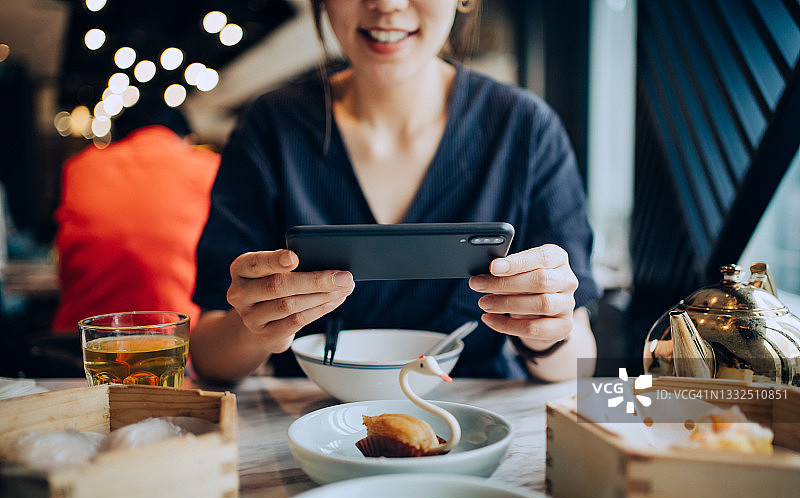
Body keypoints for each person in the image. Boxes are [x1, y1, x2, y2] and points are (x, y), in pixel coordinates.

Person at [190, 0, 601, 383]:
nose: (386, 5)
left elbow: (578, 363)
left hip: (474, 431)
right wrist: (252, 330)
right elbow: (209, 358)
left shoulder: (525, 128)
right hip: (312, 428)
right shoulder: (270, 128)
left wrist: (546, 330)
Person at [51, 97, 220, 333]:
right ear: (187, 139)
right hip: (174, 343)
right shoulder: (209, 166)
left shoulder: (79, 166)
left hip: (80, 343)